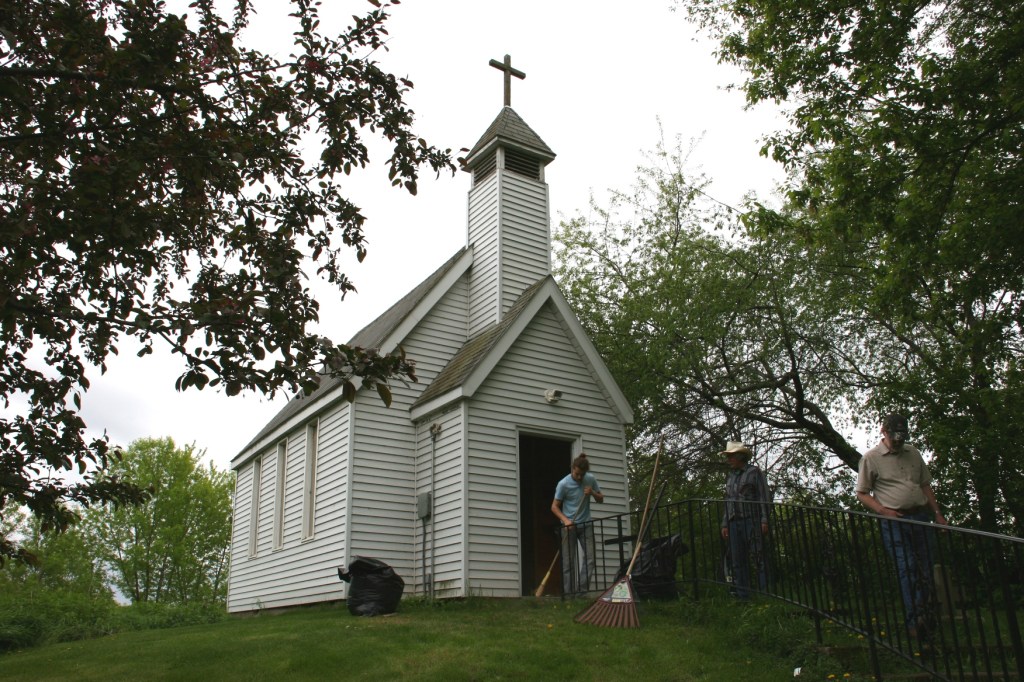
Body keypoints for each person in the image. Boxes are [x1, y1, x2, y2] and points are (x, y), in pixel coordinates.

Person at [856, 413, 948, 637]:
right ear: (883, 431)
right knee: (907, 567)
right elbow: (862, 493)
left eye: (901, 435)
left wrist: (938, 514)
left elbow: (925, 485)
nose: (898, 440)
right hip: (895, 520)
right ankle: (914, 621)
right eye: (894, 435)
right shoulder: (871, 458)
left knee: (925, 567)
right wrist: (882, 511)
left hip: (920, 516)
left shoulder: (913, 453)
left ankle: (925, 614)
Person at [720, 441, 771, 599]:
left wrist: (764, 519)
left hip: (752, 519)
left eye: (731, 456)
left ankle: (765, 594)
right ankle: (743, 595)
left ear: (740, 456)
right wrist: (724, 523)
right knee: (737, 560)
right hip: (734, 522)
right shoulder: (731, 477)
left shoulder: (754, 472)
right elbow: (728, 501)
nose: (729, 459)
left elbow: (764, 496)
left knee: (758, 557)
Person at [551, 453, 604, 596]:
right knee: (568, 563)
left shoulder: (590, 479)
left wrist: (592, 492)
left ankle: (581, 592)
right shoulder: (563, 484)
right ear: (572, 469)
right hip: (569, 527)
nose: (580, 477)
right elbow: (554, 507)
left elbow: (601, 499)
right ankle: (568, 595)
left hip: (586, 525)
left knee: (590, 559)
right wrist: (566, 521)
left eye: (582, 474)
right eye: (577, 474)